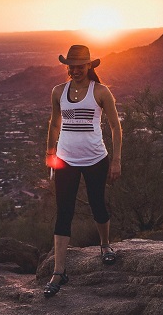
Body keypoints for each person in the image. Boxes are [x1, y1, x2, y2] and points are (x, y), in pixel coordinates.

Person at [43, 45, 123, 297]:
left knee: (97, 203)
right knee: (63, 212)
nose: (75, 70)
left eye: (80, 66)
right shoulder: (58, 91)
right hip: (66, 160)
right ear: (66, 66)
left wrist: (117, 160)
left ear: (89, 66)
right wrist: (49, 152)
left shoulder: (100, 91)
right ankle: (58, 271)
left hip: (95, 159)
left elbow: (115, 126)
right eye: (71, 66)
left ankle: (106, 246)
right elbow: (55, 122)